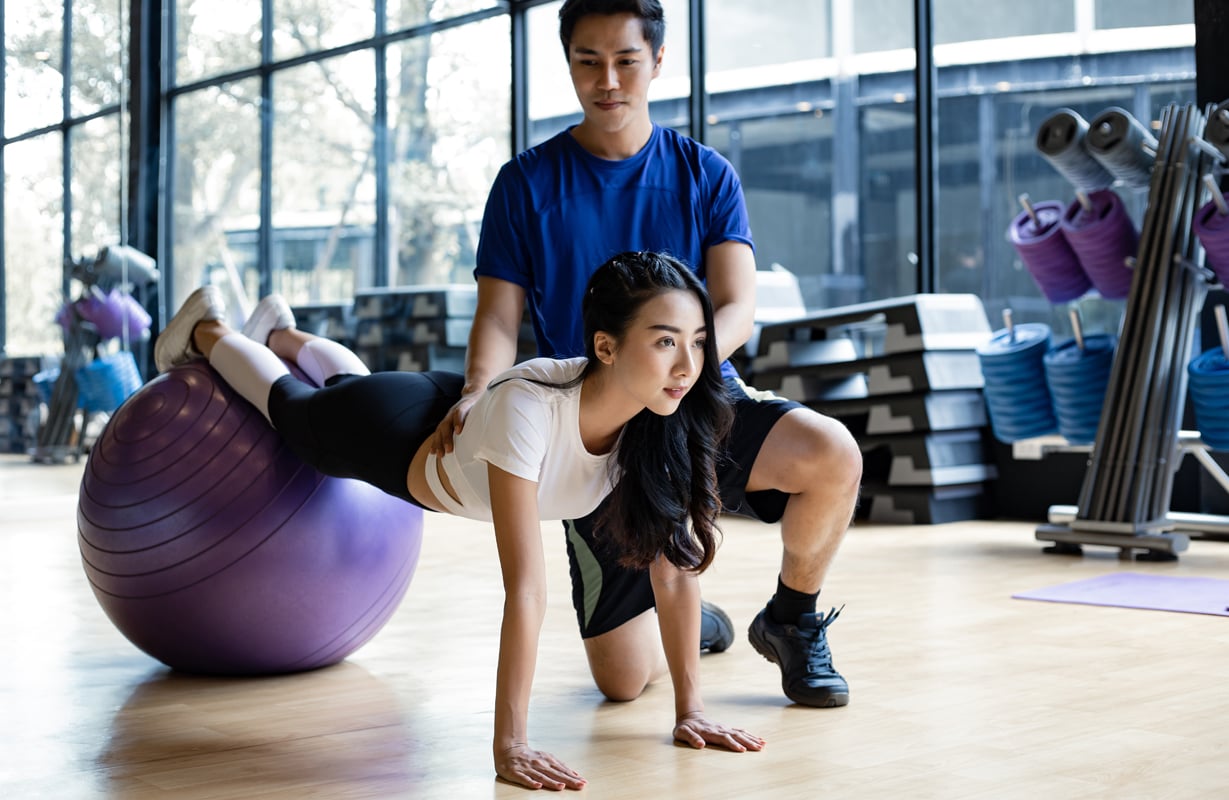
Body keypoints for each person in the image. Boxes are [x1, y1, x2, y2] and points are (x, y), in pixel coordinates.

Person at [153, 251, 765, 791]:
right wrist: (510, 744)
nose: (688, 364)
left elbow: (676, 576)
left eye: (698, 341)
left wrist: (691, 710)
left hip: (460, 416)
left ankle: (282, 331)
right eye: (665, 341)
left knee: (345, 381)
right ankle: (208, 328)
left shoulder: (665, 422)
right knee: (298, 410)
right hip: (403, 437)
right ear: (605, 346)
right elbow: (525, 588)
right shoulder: (535, 412)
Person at [433, 0, 863, 711]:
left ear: (656, 62)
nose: (607, 80)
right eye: (587, 61)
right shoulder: (525, 183)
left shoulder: (705, 173)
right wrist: (478, 390)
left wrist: (676, 372)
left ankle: (791, 618)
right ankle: (691, 621)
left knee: (832, 454)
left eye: (626, 61)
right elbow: (497, 315)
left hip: (692, 401)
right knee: (622, 681)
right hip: (588, 423)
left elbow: (737, 307)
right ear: (567, 62)